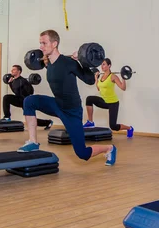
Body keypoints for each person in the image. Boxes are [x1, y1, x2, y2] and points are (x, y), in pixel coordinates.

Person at [18, 30, 117, 166]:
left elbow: (89, 80)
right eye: (40, 43)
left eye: (44, 43)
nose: (41, 46)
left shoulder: (69, 62)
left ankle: (109, 149)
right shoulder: (49, 64)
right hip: (57, 104)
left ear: (54, 44)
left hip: (72, 111)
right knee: (29, 101)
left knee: (82, 153)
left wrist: (83, 61)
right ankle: (33, 142)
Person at [83, 58, 134, 138]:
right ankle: (90, 122)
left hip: (113, 103)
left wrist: (123, 78)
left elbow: (123, 88)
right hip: (104, 101)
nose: (102, 66)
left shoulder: (113, 77)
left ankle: (129, 128)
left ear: (109, 65)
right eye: (101, 65)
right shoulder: (102, 76)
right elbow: (99, 88)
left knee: (113, 126)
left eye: (104, 64)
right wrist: (96, 79)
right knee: (89, 99)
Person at [2, 64, 53, 129]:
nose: (12, 70)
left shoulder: (23, 80)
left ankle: (48, 122)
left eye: (14, 69)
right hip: (19, 100)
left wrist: (26, 97)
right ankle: (7, 117)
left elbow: (31, 91)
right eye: (12, 69)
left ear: (19, 71)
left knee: (31, 120)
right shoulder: (13, 81)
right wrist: (10, 83)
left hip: (26, 101)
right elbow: (15, 92)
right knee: (6, 98)